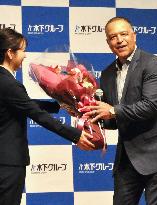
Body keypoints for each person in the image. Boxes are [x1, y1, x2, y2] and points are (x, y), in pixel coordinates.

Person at [85, 17, 157, 205]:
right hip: (127, 159)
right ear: (108, 43)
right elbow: (113, 120)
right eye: (113, 37)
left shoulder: (152, 64)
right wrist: (88, 113)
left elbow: (151, 106)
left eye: (123, 34)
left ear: (134, 36)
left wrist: (112, 110)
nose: (119, 40)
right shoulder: (106, 74)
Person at [0, 28, 95, 205]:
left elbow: (21, 104)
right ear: (10, 53)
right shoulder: (8, 83)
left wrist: (59, 105)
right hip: (8, 163)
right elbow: (36, 114)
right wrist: (76, 135)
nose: (26, 56)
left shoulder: (4, 81)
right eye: (22, 50)